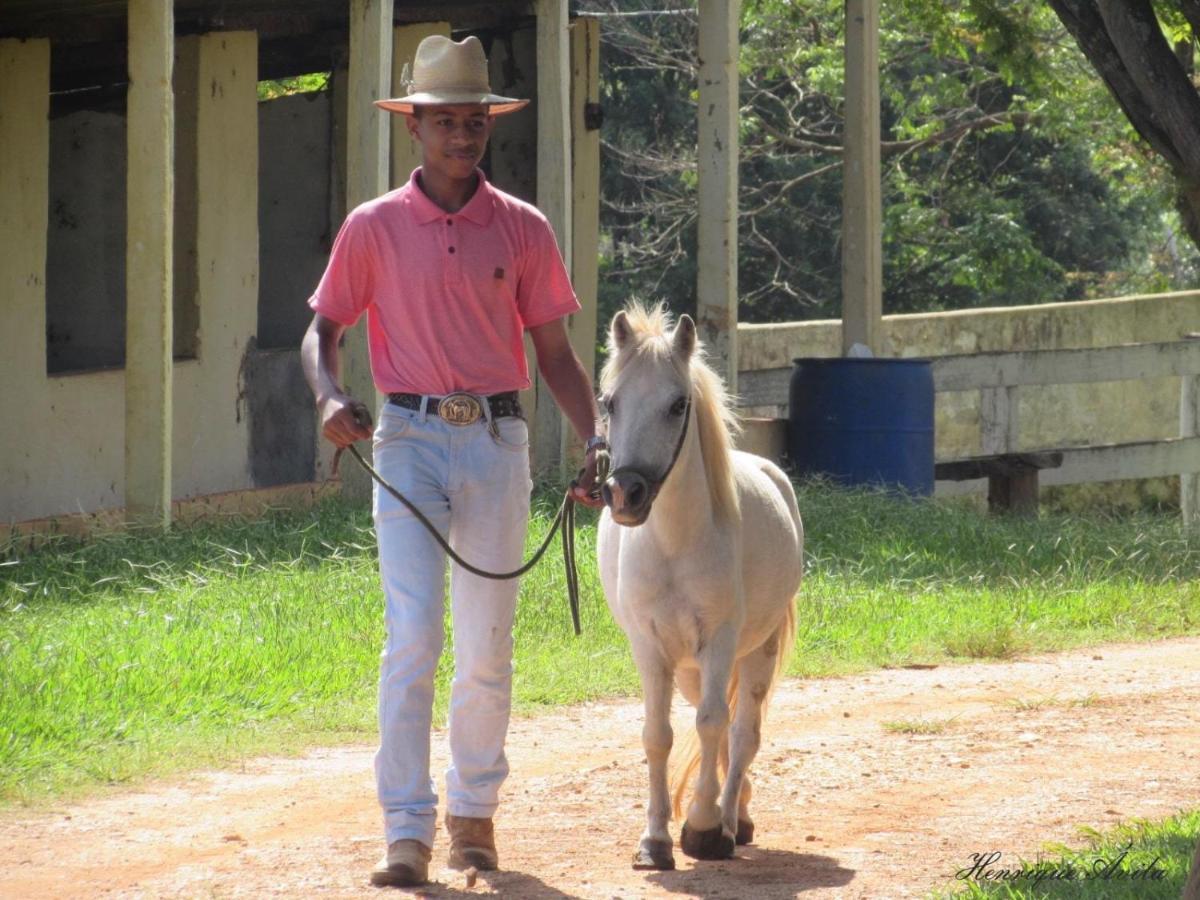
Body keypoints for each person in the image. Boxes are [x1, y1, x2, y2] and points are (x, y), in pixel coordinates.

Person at [301, 34, 605, 888]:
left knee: (485, 642)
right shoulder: (374, 228)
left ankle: (473, 816)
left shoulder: (522, 228)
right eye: (446, 122)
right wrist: (329, 398)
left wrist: (596, 439)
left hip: (497, 445)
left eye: (475, 122)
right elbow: (322, 331)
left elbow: (556, 355)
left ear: (485, 127)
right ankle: (405, 829)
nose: (463, 137)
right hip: (406, 441)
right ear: (416, 127)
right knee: (414, 636)